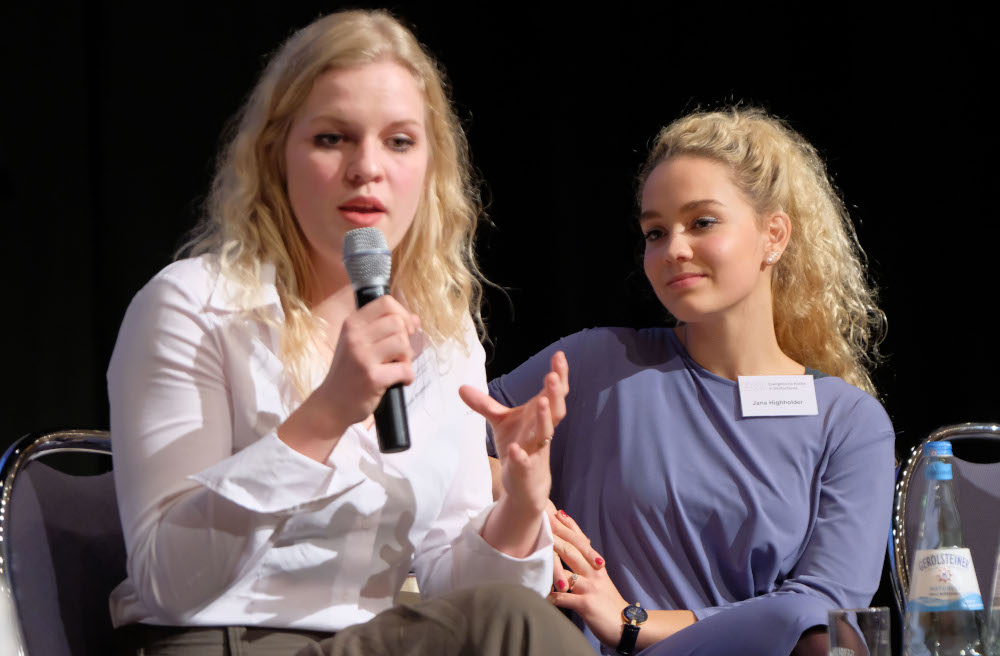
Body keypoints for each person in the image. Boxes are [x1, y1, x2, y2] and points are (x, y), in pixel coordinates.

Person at [107, 10, 592, 656]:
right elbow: (167, 582)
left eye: (399, 142)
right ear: (277, 153)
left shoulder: (445, 342)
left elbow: (457, 585)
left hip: (373, 639)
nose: (368, 168)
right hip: (217, 639)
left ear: (430, 166)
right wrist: (325, 414)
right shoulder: (193, 307)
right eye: (333, 139)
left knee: (511, 619)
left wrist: (522, 505)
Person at [488, 107, 896, 656]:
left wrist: (636, 622)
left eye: (701, 222)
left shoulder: (848, 422)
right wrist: (523, 492)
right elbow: (437, 444)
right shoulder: (596, 364)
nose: (672, 249)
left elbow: (823, 608)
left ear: (773, 235)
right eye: (655, 232)